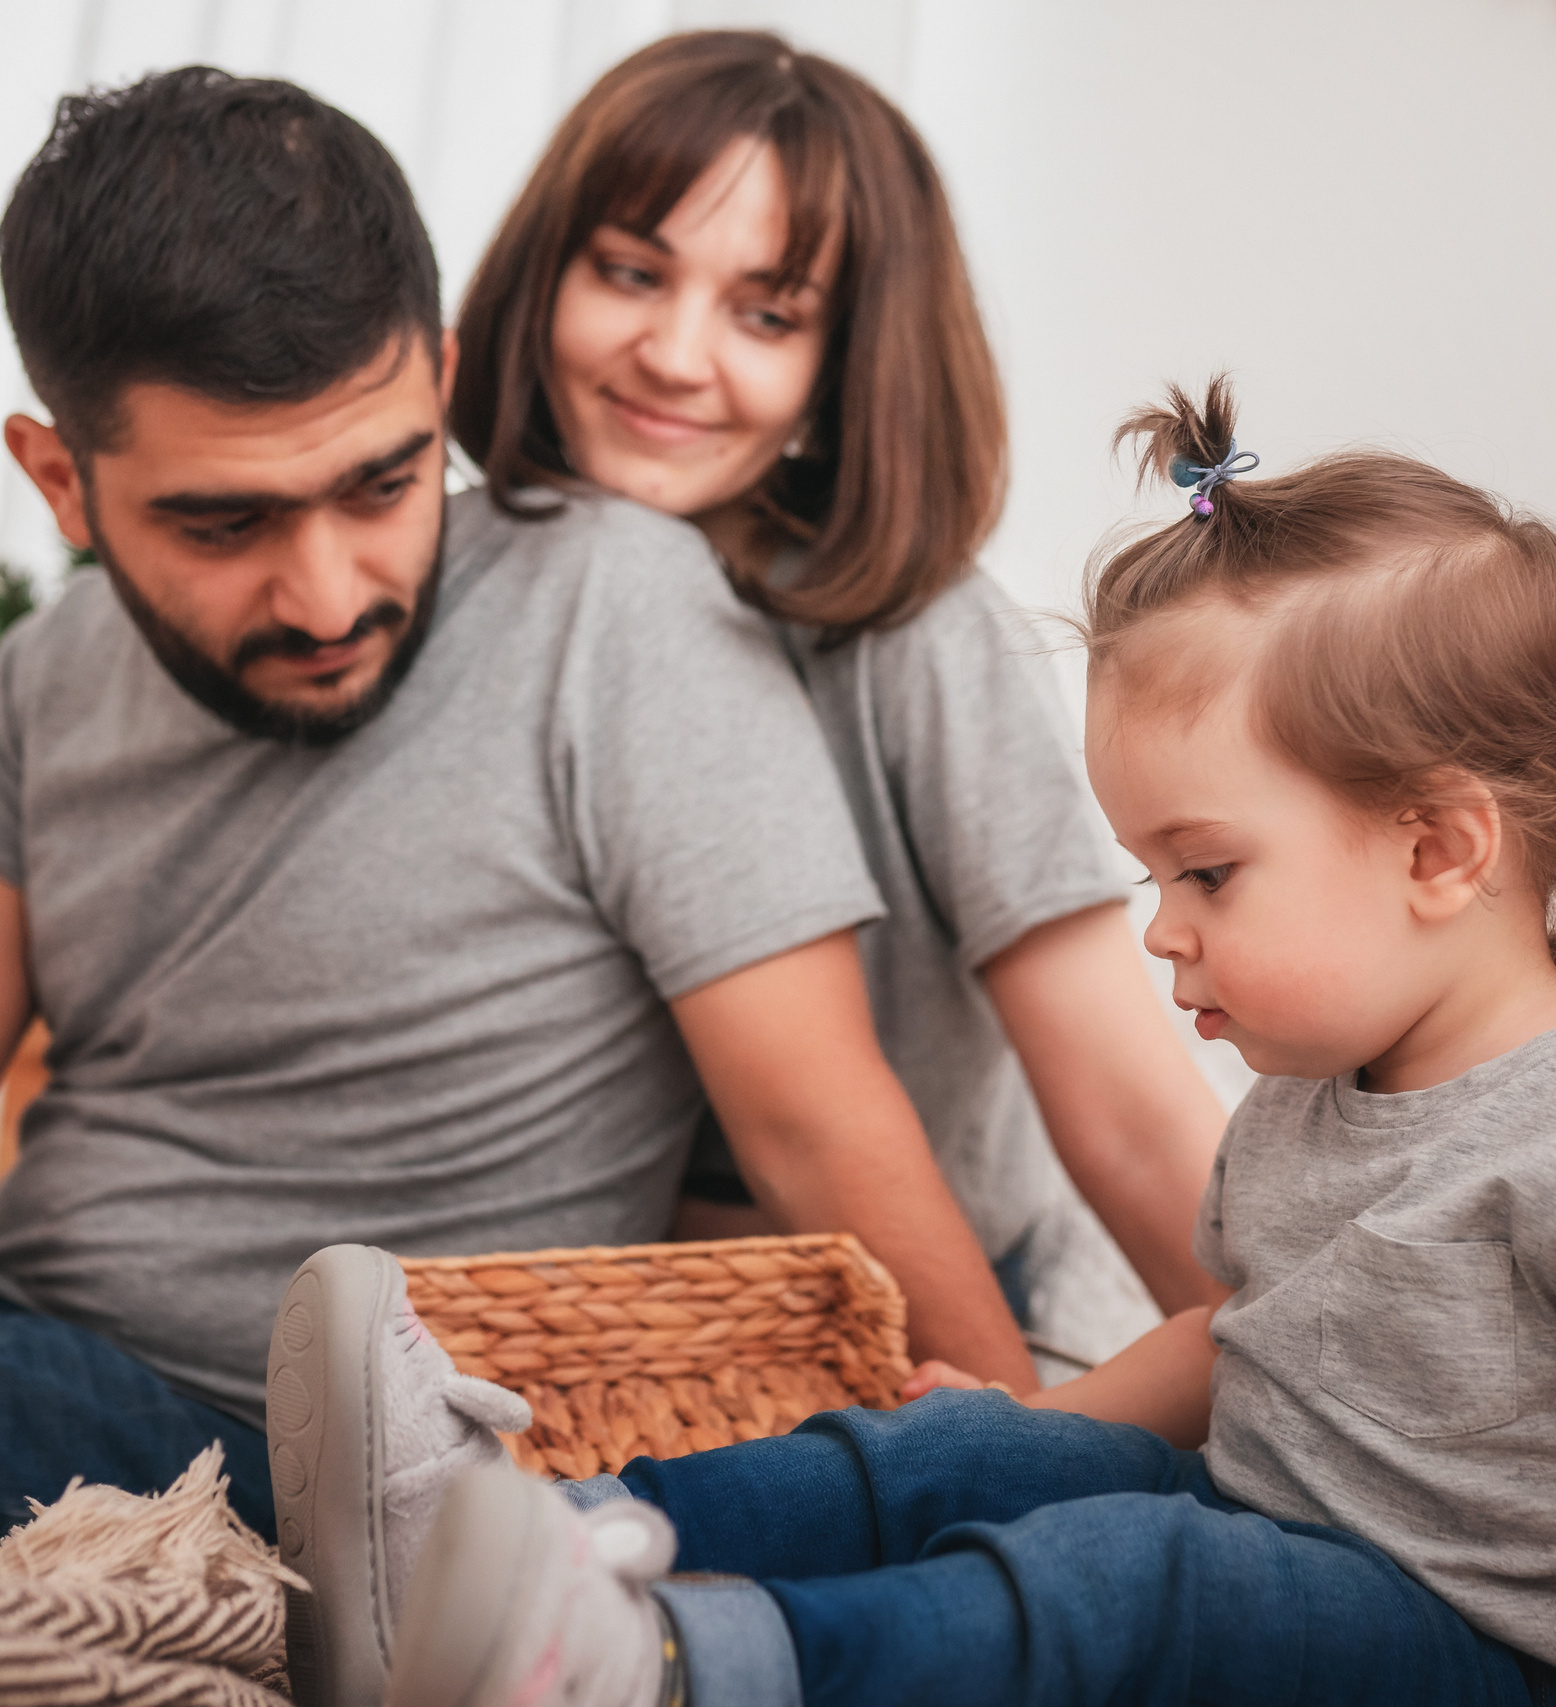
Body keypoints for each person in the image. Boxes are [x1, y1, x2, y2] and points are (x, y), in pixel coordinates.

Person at [0, 67, 1031, 1572]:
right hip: (18, 1363)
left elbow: (816, 1114)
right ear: (60, 482)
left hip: (319, 1459)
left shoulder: (615, 605)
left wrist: (1029, 1465)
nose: (330, 595)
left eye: (383, 480)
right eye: (224, 523)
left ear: (442, 377)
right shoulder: (39, 685)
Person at [284, 381, 1556, 1707]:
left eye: (1209, 872)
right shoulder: (1312, 1099)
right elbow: (1229, 1338)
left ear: (1440, 850)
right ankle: (498, 1546)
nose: (1162, 929)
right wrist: (1010, 1435)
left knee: (1132, 1574)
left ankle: (677, 1671)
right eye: (1150, 877)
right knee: (957, 1461)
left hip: (1475, 1652)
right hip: (1270, 1544)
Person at [449, 31, 1230, 1326]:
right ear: (545, 280)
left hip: (905, 1300)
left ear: (843, 363)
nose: (676, 354)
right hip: (560, 1318)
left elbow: (1126, 1111)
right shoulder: (461, 592)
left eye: (766, 314)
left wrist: (1312, 1409)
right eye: (631, 274)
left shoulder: (919, 638)